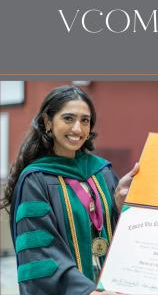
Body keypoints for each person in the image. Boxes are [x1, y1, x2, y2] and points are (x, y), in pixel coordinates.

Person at [0, 85, 138, 294]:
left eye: (85, 120)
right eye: (68, 118)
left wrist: (119, 206)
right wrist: (85, 291)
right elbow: (41, 254)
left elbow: (115, 235)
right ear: (48, 122)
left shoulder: (102, 172)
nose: (77, 129)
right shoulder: (36, 180)